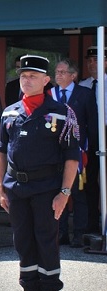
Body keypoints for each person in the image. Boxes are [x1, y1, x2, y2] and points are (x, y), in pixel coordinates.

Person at [0, 55, 79, 291]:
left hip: (47, 190)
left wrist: (64, 193)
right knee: (23, 243)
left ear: (46, 81)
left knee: (46, 243)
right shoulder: (10, 112)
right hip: (16, 189)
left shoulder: (62, 112)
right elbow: (1, 152)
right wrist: (0, 188)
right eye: (23, 75)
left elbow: (71, 157)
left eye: (33, 76)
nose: (26, 80)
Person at [52, 58, 98, 248]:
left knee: (78, 193)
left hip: (78, 151)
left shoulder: (84, 94)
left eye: (63, 72)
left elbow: (92, 123)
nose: (59, 75)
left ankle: (79, 233)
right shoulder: (50, 94)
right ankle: (61, 232)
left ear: (73, 75)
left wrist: (90, 149)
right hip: (54, 152)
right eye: (57, 72)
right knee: (57, 191)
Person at [79, 45, 106, 235]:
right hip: (89, 136)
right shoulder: (83, 86)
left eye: (96, 60)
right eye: (89, 61)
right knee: (88, 180)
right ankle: (91, 222)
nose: (91, 64)